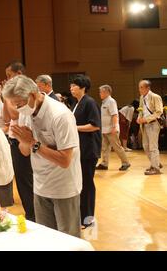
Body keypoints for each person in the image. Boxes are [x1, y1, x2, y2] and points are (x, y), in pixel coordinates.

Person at [3, 75, 82, 238]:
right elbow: (24, 151)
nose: (18, 109)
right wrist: (25, 142)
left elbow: (65, 160)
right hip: (40, 185)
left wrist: (33, 143)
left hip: (63, 187)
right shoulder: (26, 112)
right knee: (46, 238)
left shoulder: (60, 115)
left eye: (19, 104)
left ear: (32, 94)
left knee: (68, 239)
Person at [2, 61, 35, 222]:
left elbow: (15, 115)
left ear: (19, 74)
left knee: (26, 180)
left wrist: (6, 97)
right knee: (22, 181)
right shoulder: (13, 93)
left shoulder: (26, 90)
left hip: (25, 140)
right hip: (16, 140)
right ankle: (30, 213)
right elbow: (6, 117)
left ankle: (33, 215)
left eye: (9, 75)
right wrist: (5, 97)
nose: (7, 79)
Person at [70, 75, 101, 228]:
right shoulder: (77, 103)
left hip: (89, 149)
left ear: (83, 87)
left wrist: (75, 128)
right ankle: (82, 215)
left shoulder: (89, 102)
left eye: (74, 85)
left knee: (87, 184)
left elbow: (95, 125)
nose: (71, 88)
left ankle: (88, 219)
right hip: (80, 149)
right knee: (81, 183)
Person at [96, 85, 131, 171]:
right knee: (104, 148)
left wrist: (115, 127)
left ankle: (126, 162)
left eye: (101, 92)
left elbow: (114, 115)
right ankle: (104, 163)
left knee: (117, 147)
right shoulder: (104, 102)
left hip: (112, 129)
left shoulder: (111, 101)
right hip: (104, 129)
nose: (99, 94)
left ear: (106, 92)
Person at [137, 80, 163, 176]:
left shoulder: (155, 97)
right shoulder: (141, 97)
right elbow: (141, 110)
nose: (139, 89)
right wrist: (140, 118)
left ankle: (155, 168)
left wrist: (146, 119)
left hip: (153, 124)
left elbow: (159, 112)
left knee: (153, 147)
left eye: (141, 87)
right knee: (146, 146)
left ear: (148, 88)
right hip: (144, 125)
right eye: (139, 87)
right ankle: (155, 163)